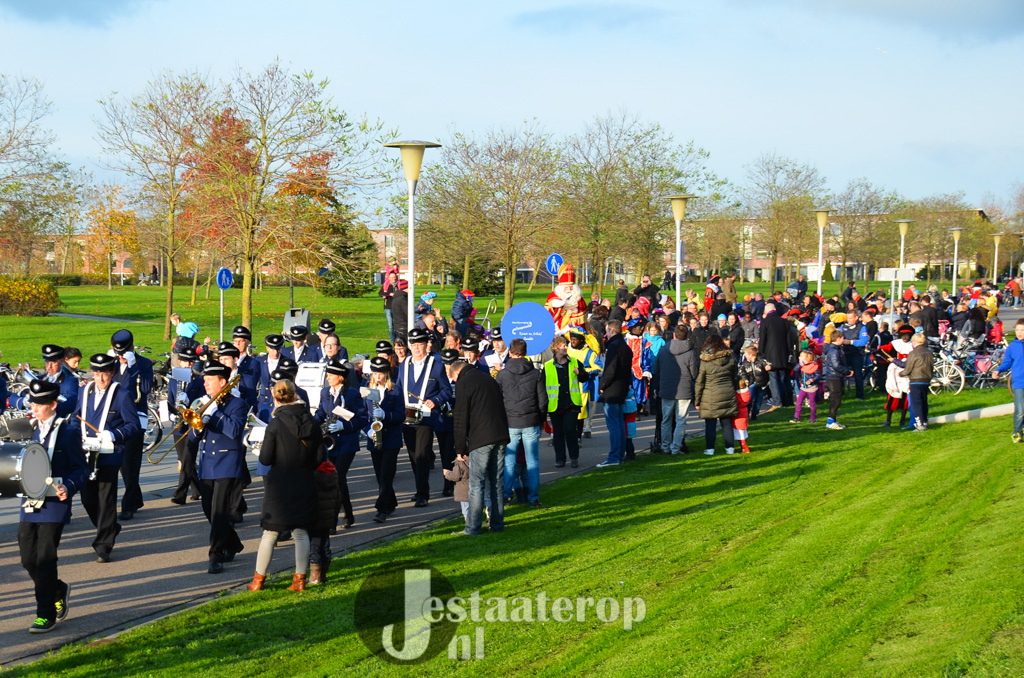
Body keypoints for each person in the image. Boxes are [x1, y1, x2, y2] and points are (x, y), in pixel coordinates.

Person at [18, 379, 88, 633]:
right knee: (29, 559)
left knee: (45, 559)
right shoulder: (29, 429)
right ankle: (57, 589)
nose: (34, 408)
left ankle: (45, 614)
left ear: (53, 405)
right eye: (33, 404)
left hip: (54, 504)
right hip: (29, 503)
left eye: (39, 404)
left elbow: (81, 469)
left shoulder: (68, 432)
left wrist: (68, 486)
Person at [246, 379, 324, 592]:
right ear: (295, 395)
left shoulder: (275, 423)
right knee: (301, 532)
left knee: (270, 533)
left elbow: (265, 459)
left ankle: (258, 580)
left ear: (275, 397)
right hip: (304, 480)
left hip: (279, 485)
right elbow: (319, 457)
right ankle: (299, 580)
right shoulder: (311, 421)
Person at [190, 360, 247, 574]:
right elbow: (193, 439)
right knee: (209, 510)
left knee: (220, 512)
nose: (205, 384)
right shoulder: (202, 402)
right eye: (204, 380)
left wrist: (214, 414)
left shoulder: (237, 404)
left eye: (209, 380)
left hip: (227, 463)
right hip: (207, 464)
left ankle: (215, 555)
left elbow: (234, 431)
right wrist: (198, 425)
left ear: (222, 382)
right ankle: (233, 543)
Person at [448, 358, 511, 535]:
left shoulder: (463, 383)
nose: (454, 381)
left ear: (457, 373)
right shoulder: (488, 378)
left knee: (476, 484)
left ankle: (472, 527)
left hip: (481, 438)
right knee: (497, 482)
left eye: (453, 378)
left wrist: (459, 449)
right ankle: (497, 525)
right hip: (500, 435)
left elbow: (460, 418)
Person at [397, 328, 453, 507]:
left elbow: (446, 390)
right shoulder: (404, 365)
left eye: (419, 344)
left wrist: (435, 401)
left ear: (426, 345)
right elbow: (399, 388)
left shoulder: (436, 365)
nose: (416, 348)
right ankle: (419, 488)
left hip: (426, 419)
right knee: (413, 456)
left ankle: (423, 493)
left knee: (422, 455)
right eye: (413, 344)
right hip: (407, 417)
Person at [314, 359, 367, 530]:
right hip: (331, 443)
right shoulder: (325, 392)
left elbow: (362, 419)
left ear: (340, 377)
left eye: (331, 375)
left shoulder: (352, 394)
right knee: (336, 480)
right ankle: (348, 514)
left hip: (347, 443)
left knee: (337, 479)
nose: (327, 378)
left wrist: (344, 426)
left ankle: (332, 520)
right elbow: (321, 413)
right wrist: (310, 424)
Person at [496, 338, 547, 502]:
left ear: (510, 352)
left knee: (509, 461)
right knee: (532, 462)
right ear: (525, 352)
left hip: (511, 422)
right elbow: (543, 401)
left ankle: (506, 495)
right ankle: (533, 497)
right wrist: (541, 419)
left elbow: (497, 400)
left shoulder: (502, 375)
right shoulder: (535, 374)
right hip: (530, 421)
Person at [110, 329, 152, 521]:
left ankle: (128, 505)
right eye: (117, 352)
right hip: (116, 419)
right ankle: (136, 498)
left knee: (131, 463)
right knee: (121, 464)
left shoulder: (143, 364)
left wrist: (133, 367)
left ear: (131, 348)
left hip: (135, 417)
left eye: (123, 352)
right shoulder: (111, 363)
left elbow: (145, 388)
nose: (120, 356)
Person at [365, 356, 406, 523]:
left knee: (386, 474)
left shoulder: (395, 390)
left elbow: (401, 415)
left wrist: (386, 415)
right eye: (375, 373)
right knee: (379, 475)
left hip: (391, 438)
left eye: (380, 373)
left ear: (386, 374)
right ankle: (391, 502)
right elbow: (362, 413)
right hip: (374, 437)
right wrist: (367, 430)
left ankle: (381, 509)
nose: (377, 376)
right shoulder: (366, 390)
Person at [542, 336, 589, 472]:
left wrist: (579, 373)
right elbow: (542, 385)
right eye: (563, 346)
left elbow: (585, 377)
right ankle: (560, 458)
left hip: (571, 404)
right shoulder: (548, 366)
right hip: (555, 405)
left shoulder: (574, 362)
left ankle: (574, 457)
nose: (566, 347)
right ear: (556, 349)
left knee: (570, 430)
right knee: (558, 433)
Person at [651, 324, 698, 455]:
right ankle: (675, 447)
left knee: (666, 420)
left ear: (674, 335)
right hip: (683, 389)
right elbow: (694, 373)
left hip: (666, 389)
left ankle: (666, 446)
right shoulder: (690, 352)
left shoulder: (663, 350)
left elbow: (657, 369)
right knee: (681, 420)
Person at [169, 345, 204, 504]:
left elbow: (201, 403)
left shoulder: (199, 380)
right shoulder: (173, 380)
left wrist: (190, 404)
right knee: (184, 459)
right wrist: (171, 414)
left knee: (188, 458)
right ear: (180, 362)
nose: (188, 365)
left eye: (191, 362)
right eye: (185, 362)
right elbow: (170, 400)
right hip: (177, 425)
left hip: (191, 425)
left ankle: (180, 494)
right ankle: (199, 490)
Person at [694, 334, 739, 455]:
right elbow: (734, 377)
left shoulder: (705, 361)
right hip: (727, 392)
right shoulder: (730, 358)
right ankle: (730, 448)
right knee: (726, 423)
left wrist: (697, 401)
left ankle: (710, 449)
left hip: (710, 394)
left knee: (710, 424)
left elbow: (700, 382)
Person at [9, 344, 80, 418]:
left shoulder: (70, 381)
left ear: (62, 361)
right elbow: (12, 398)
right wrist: (25, 402)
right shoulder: (40, 379)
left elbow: (72, 403)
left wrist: (45, 408)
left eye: (53, 362)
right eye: (47, 362)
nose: (49, 366)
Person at [597, 320, 631, 467]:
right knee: (620, 423)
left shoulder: (614, 346)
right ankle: (619, 454)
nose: (606, 334)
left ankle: (614, 456)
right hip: (621, 388)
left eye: (607, 331)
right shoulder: (625, 346)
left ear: (611, 330)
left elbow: (610, 369)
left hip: (612, 389)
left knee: (614, 425)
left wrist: (602, 385)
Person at [307, 460, 341, 585]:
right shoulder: (332, 472)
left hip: (314, 516)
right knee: (325, 545)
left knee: (314, 547)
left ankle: (315, 576)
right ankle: (323, 574)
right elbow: (338, 497)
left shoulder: (311, 474)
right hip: (328, 516)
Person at [993, 318, 1024, 442]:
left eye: (1022, 330)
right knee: (1020, 410)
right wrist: (998, 370)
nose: (1019, 332)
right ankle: (1017, 433)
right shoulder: (1012, 346)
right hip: (1019, 382)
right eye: (1017, 330)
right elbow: (1007, 362)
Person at [759, 303, 793, 410]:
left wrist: (761, 354)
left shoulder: (765, 322)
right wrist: (789, 353)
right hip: (783, 354)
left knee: (773, 380)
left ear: (766, 311)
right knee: (782, 379)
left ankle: (777, 402)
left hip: (770, 355)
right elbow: (789, 340)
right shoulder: (784, 322)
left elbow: (762, 340)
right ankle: (785, 401)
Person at [901, 332, 933, 432]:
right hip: (926, 379)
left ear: (914, 342)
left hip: (916, 379)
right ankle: (925, 421)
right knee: (923, 401)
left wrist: (901, 374)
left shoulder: (913, 353)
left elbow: (908, 369)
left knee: (916, 402)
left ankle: (920, 423)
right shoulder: (929, 352)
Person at [822, 332, 852, 430]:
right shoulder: (834, 350)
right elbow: (836, 365)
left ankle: (833, 420)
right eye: (843, 338)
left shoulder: (836, 349)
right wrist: (847, 371)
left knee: (837, 398)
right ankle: (830, 421)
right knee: (836, 399)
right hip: (834, 377)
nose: (844, 340)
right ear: (838, 338)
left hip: (836, 376)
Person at [791, 350, 820, 424]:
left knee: (812, 403)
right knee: (799, 402)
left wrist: (811, 380)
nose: (799, 357)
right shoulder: (802, 366)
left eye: (801, 356)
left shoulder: (814, 366)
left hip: (812, 388)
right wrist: (801, 364)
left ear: (808, 358)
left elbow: (818, 375)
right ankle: (796, 417)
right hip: (803, 387)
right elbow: (795, 370)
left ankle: (813, 418)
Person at [734, 379, 751, 454]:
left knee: (739, 432)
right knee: (743, 431)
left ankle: (744, 448)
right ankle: (743, 447)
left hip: (738, 414)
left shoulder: (737, 395)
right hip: (744, 413)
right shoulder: (747, 392)